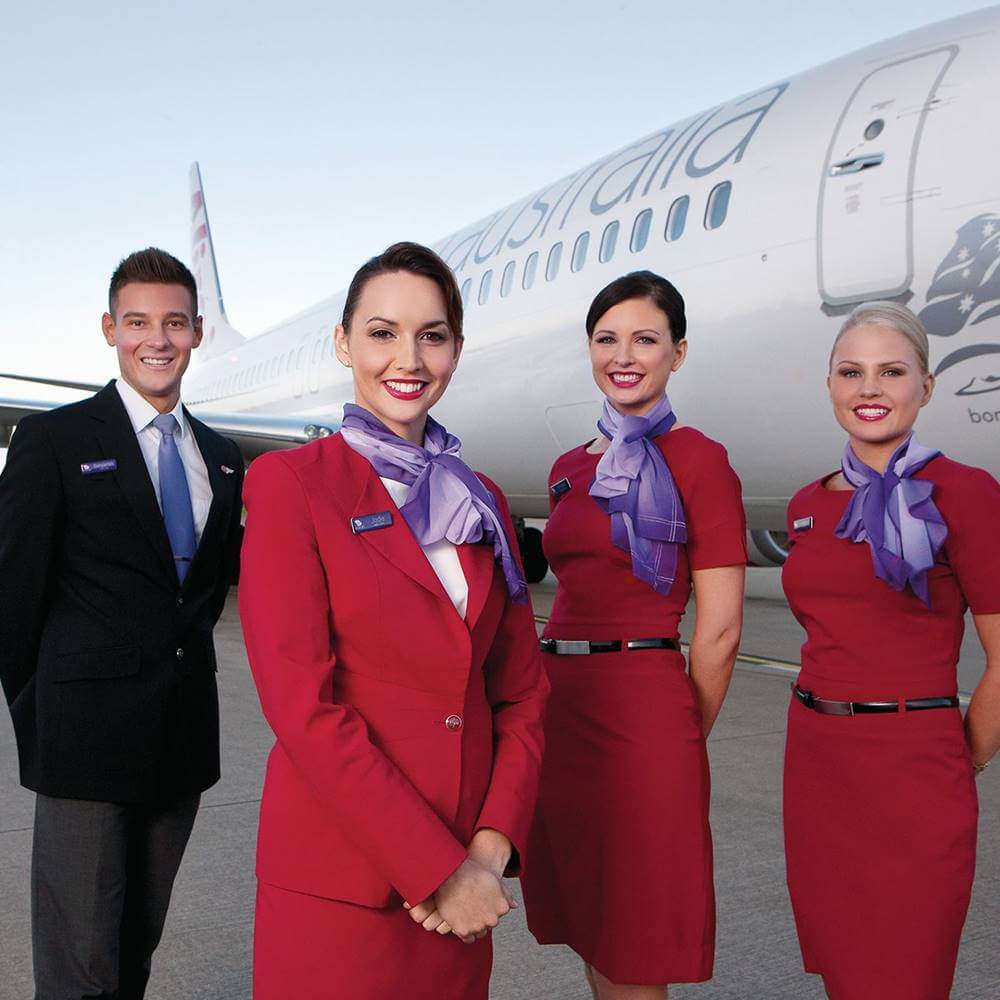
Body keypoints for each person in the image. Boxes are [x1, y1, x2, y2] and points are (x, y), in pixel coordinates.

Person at [238, 241, 549, 1000]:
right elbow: (303, 708)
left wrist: (490, 844)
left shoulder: (480, 501)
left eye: (431, 335)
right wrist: (437, 869)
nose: (407, 358)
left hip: (465, 889)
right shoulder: (291, 485)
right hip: (346, 884)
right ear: (344, 343)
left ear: (456, 349)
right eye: (382, 333)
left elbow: (522, 694)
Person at [0, 247, 245, 1000]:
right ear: (110, 328)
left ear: (198, 332)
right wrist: (44, 723)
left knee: (135, 945)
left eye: (174, 322)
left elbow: (201, 600)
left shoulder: (222, 458)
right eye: (138, 322)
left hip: (178, 743)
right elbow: (12, 594)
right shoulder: (55, 441)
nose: (157, 339)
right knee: (80, 966)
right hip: (83, 743)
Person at [522, 271, 747, 999]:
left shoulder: (701, 460)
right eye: (607, 338)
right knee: (591, 920)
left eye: (646, 339)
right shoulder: (566, 468)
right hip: (561, 707)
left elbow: (719, 630)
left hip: (645, 709)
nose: (625, 355)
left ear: (677, 353)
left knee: (638, 940)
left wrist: (681, 729)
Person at [781, 301, 1000, 999]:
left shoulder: (966, 495)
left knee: (905, 973)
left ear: (925, 387)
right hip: (817, 763)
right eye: (852, 372)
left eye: (891, 371)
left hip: (915, 764)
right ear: (830, 385)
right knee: (845, 971)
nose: (869, 389)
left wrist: (960, 751)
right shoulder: (805, 506)